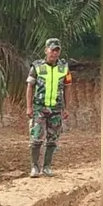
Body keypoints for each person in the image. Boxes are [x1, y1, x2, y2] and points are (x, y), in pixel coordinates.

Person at [25, 38, 73, 178]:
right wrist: (29, 107)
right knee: (36, 139)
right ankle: (34, 167)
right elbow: (30, 86)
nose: (54, 53)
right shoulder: (37, 66)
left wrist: (66, 108)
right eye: (52, 50)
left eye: (57, 50)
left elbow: (68, 88)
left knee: (52, 140)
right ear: (46, 50)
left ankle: (46, 167)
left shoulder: (64, 68)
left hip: (56, 109)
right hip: (39, 108)